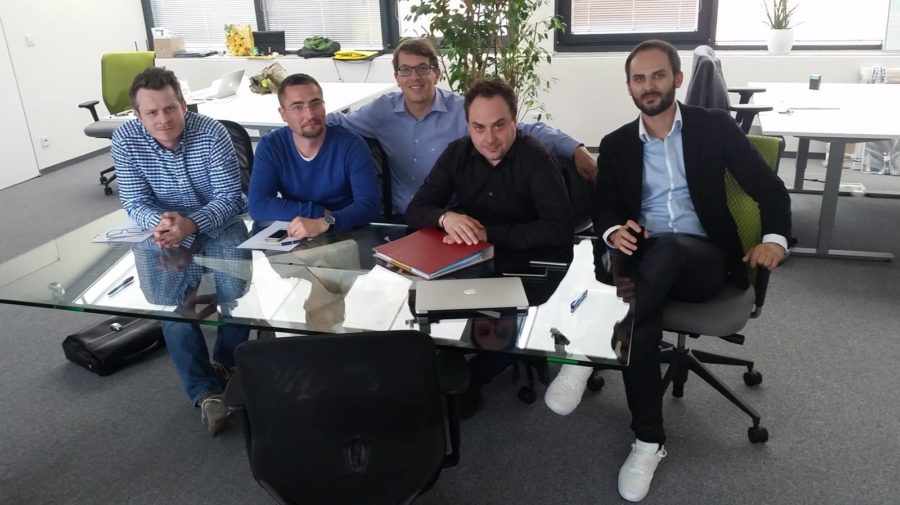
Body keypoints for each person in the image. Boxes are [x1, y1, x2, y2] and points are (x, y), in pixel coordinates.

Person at [543, 40, 791, 502]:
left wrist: (774, 239)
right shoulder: (616, 144)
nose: (649, 85)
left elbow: (769, 189)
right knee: (642, 323)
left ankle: (591, 347)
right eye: (639, 78)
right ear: (629, 87)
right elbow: (605, 209)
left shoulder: (713, 127)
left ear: (677, 79)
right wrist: (614, 230)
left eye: (658, 75)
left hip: (703, 259)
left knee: (668, 252)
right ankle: (648, 442)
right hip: (644, 260)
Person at [110, 66, 248, 436]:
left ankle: (226, 362)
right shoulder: (125, 139)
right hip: (162, 230)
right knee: (170, 305)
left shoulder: (212, 132)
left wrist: (191, 225)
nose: (163, 119)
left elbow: (229, 198)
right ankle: (205, 392)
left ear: (183, 105)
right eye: (152, 112)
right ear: (138, 115)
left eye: (170, 108)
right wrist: (165, 225)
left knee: (237, 290)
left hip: (217, 221)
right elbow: (134, 200)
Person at [327, 37, 598, 215]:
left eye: (422, 68)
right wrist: (304, 117)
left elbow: (522, 129)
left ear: (436, 73)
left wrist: (575, 148)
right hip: (399, 219)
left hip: (454, 218)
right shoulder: (381, 111)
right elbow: (338, 122)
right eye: (405, 70)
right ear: (397, 77)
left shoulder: (461, 109)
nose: (414, 77)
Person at [406, 77, 572, 250]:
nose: (490, 139)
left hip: (528, 256)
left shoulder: (538, 158)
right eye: (479, 128)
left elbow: (559, 229)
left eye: (498, 126)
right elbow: (415, 210)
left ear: (514, 122)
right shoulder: (456, 154)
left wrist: (487, 234)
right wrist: (445, 218)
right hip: (468, 252)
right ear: (468, 126)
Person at [248, 73, 380, 237]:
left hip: (346, 231)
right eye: (298, 107)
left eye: (316, 104)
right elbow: (258, 206)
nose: (310, 115)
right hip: (296, 232)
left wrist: (326, 222)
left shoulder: (351, 144)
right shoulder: (271, 146)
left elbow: (369, 205)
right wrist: (316, 212)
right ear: (283, 114)